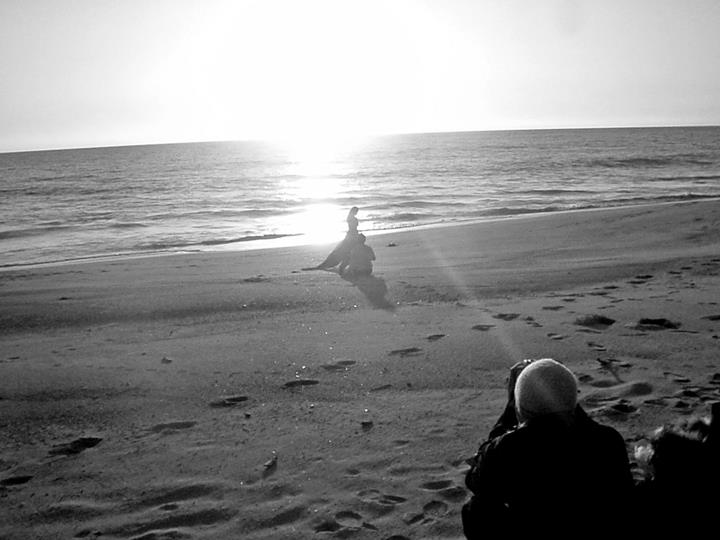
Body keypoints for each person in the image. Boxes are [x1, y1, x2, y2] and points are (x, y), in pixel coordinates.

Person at [462, 358, 634, 539]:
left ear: (520, 410)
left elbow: (476, 480)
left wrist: (512, 404)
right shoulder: (608, 439)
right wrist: (559, 389)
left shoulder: (508, 449)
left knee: (476, 508)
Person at [304, 207, 360, 271]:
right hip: (352, 234)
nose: (356, 213)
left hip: (352, 234)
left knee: (346, 249)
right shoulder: (352, 218)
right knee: (348, 249)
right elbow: (353, 228)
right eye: (356, 211)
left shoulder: (350, 218)